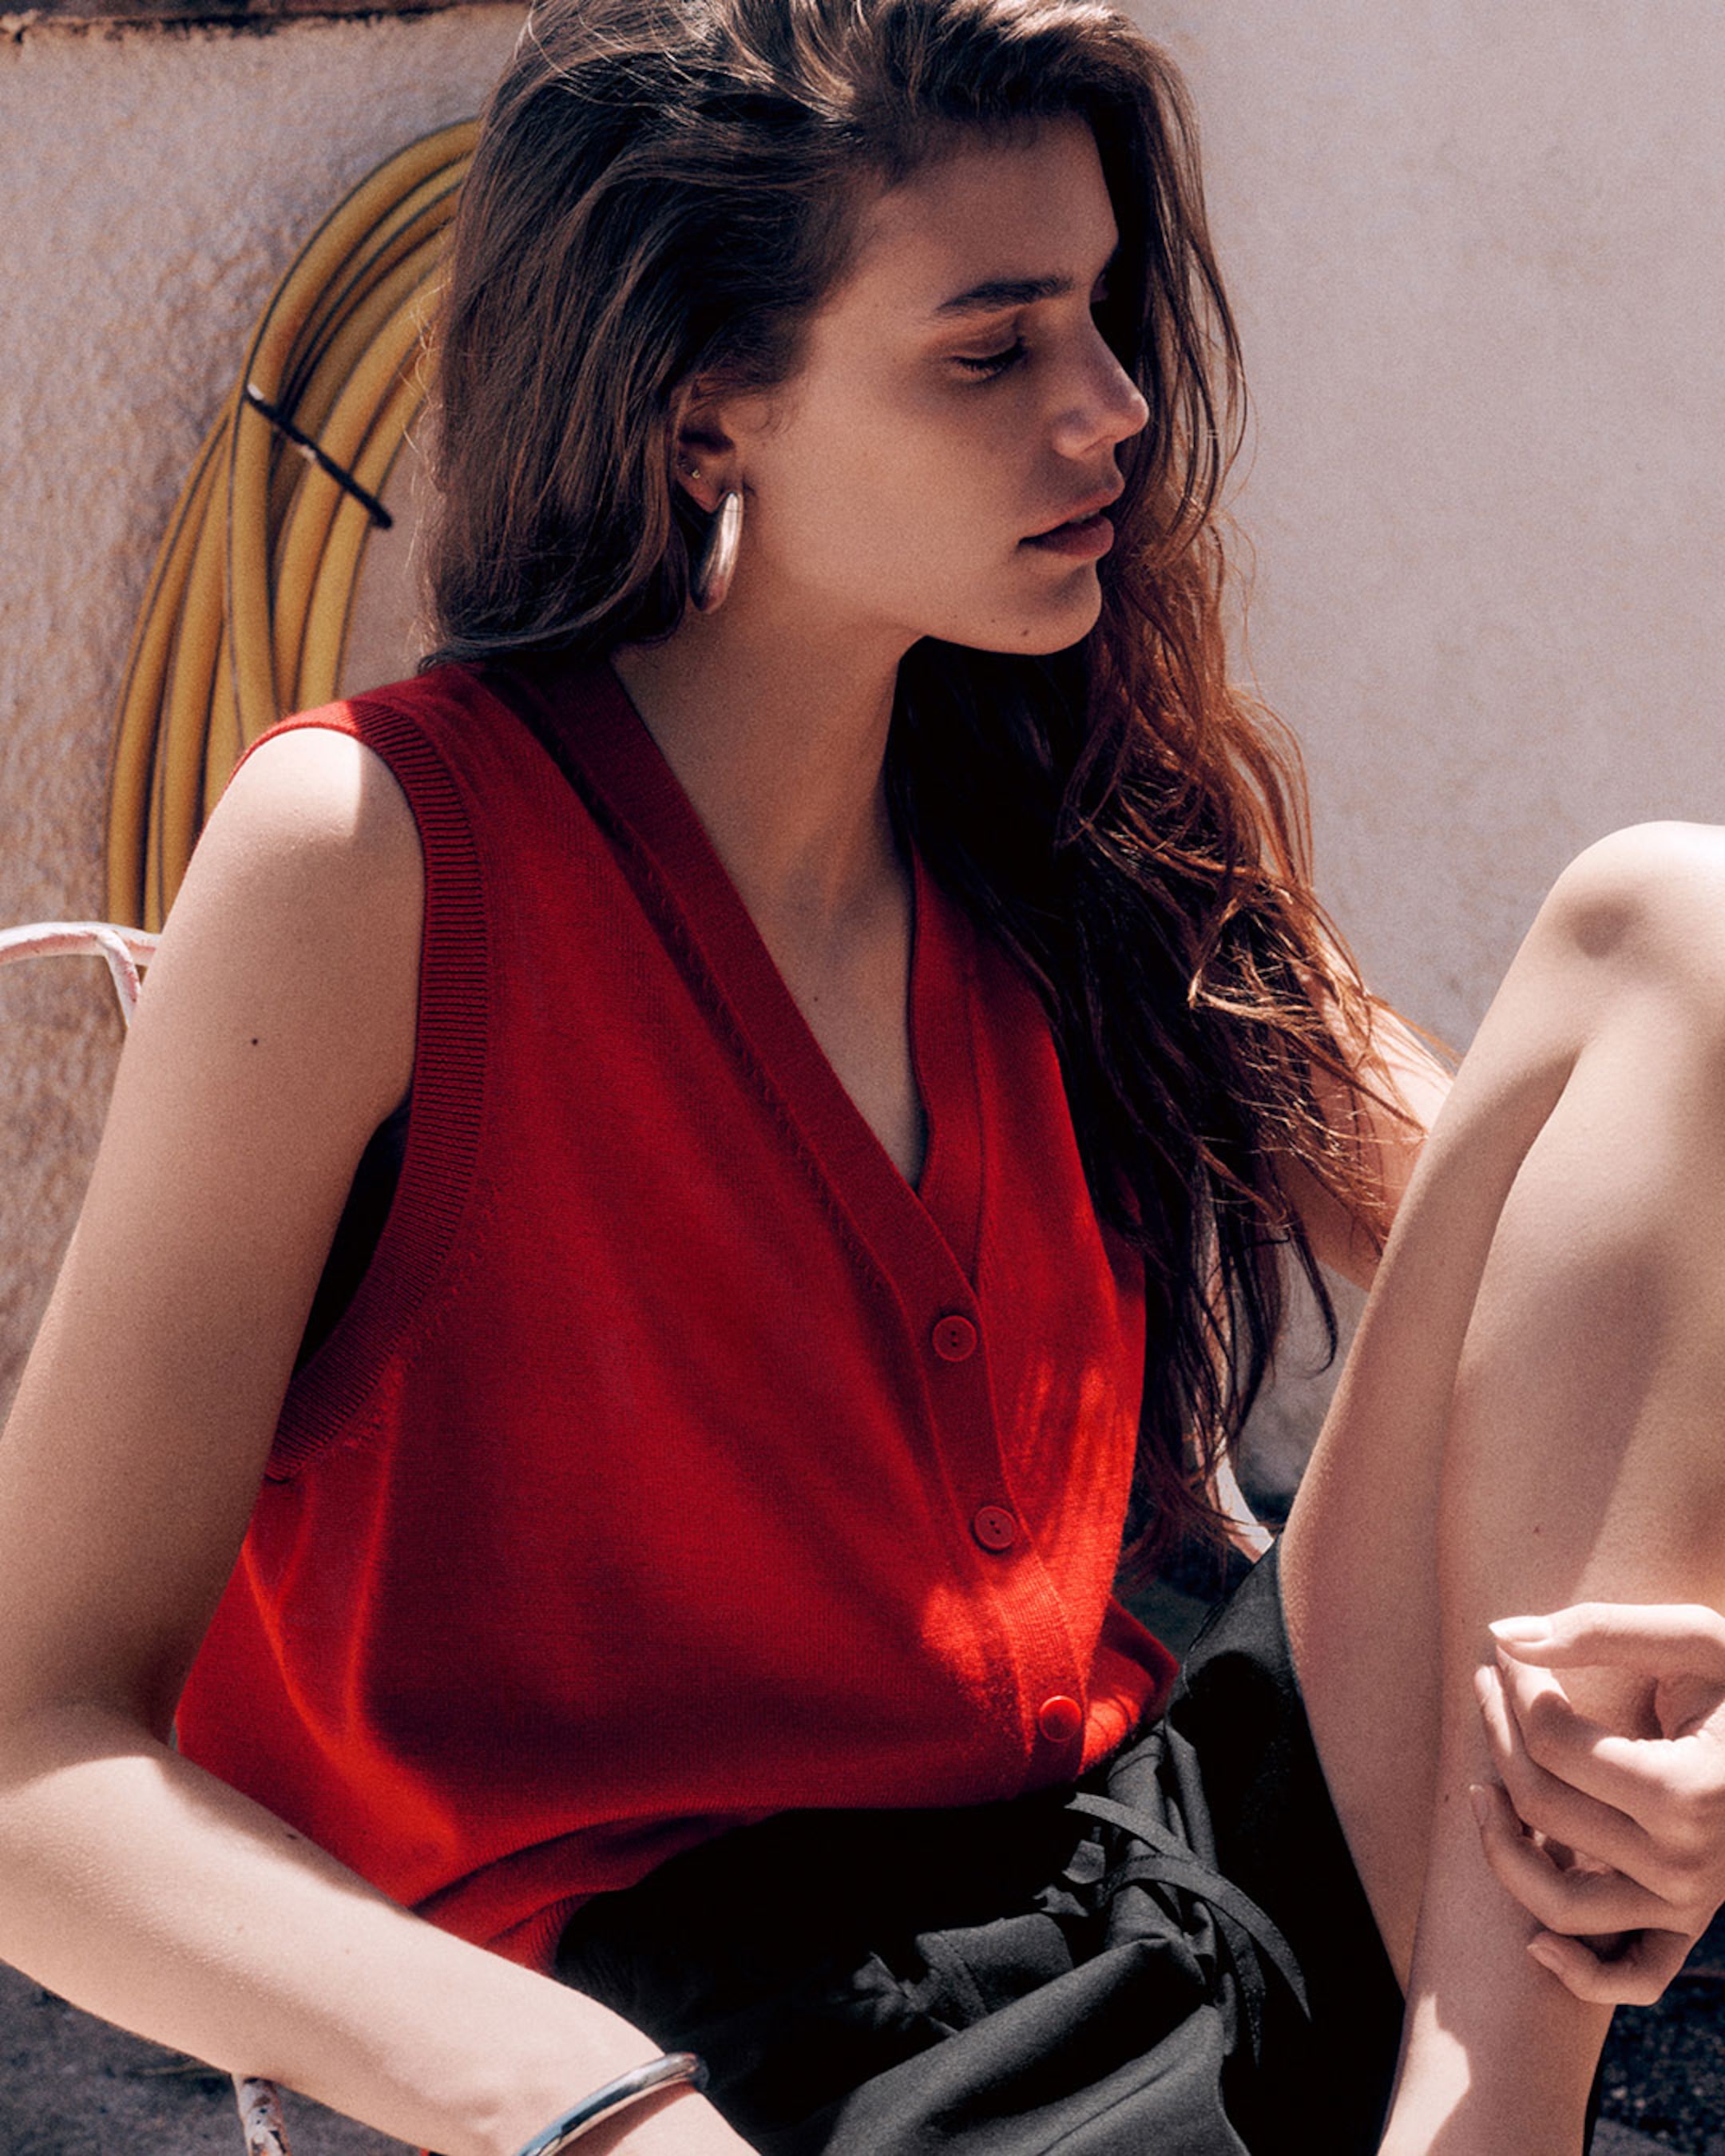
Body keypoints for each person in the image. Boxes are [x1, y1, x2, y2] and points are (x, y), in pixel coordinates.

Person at [1, 2, 1723, 2153]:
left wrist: (1701, 1739)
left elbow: (1579, 1269)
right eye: (992, 352)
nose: (1109, 411)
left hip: (1175, 1877)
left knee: (1679, 933)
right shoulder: (379, 859)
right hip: (748, 2062)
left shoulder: (1081, 831)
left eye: (1102, 316)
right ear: (707, 408)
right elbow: (29, 1753)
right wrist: (571, 2093)